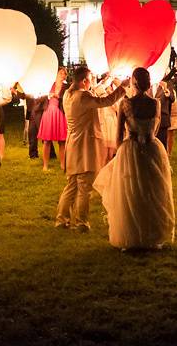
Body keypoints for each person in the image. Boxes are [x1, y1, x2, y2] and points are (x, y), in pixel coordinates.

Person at [94, 67, 175, 250]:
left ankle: (131, 235)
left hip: (130, 149)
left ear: (134, 82)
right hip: (152, 148)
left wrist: (119, 151)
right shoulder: (156, 103)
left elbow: (118, 134)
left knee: (131, 191)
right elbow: (155, 129)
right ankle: (152, 234)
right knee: (152, 191)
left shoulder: (125, 103)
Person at [56, 66, 127, 232]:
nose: (90, 82)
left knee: (72, 184)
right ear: (84, 81)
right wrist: (122, 87)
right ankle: (81, 222)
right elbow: (105, 101)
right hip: (85, 146)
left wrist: (106, 81)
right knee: (84, 186)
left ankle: (61, 219)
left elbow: (94, 94)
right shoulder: (83, 96)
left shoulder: (68, 94)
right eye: (89, 79)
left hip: (72, 144)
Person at [37, 69, 69, 171]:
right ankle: (45, 165)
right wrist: (48, 95)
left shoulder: (66, 87)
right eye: (61, 73)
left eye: (65, 74)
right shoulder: (49, 84)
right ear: (56, 74)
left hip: (60, 113)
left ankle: (63, 165)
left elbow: (68, 99)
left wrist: (58, 96)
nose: (63, 75)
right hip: (49, 112)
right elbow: (40, 98)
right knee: (47, 141)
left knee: (62, 141)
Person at [154, 79, 177, 156]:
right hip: (148, 119)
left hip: (162, 119)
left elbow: (172, 98)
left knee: (162, 145)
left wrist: (167, 91)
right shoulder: (147, 83)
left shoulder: (167, 84)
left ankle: (164, 164)